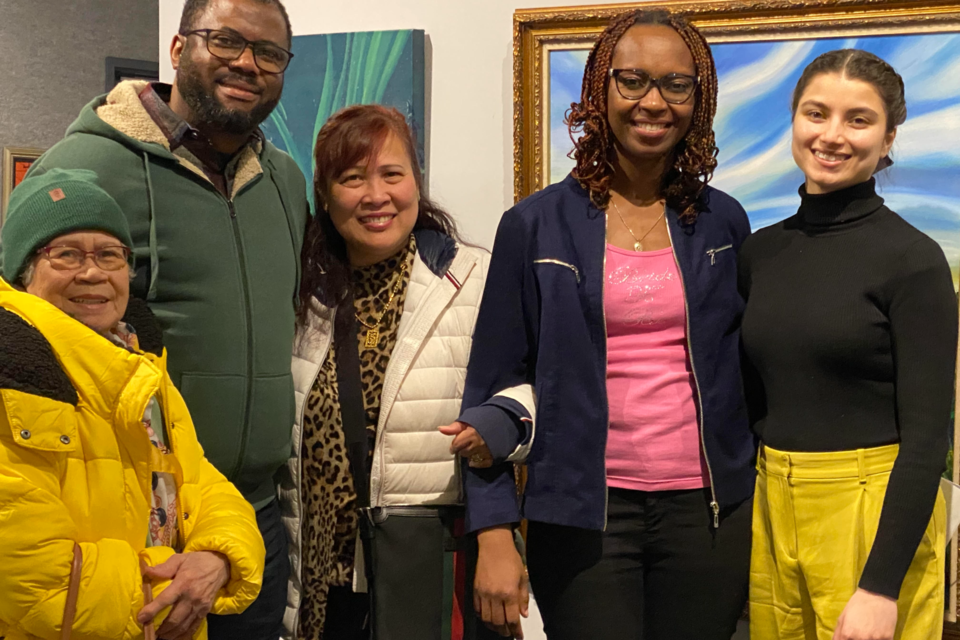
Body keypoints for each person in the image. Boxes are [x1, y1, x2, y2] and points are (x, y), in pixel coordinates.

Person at [8, 0, 310, 636]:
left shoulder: (284, 179)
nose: (247, 64)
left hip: (251, 521)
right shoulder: (84, 165)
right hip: (144, 537)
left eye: (269, 53)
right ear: (178, 50)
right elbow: (23, 336)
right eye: (225, 41)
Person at [453, 9, 756, 640]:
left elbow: (750, 368)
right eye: (633, 80)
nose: (654, 101)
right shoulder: (535, 225)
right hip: (581, 512)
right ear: (600, 90)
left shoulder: (723, 222)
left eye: (676, 84)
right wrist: (493, 531)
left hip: (706, 514)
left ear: (699, 99)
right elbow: (490, 389)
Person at [278, 104, 531, 640]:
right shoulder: (300, 294)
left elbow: (529, 391)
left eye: (392, 174)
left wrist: (498, 535)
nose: (376, 196)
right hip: (320, 581)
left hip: (432, 567)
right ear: (324, 195)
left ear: (416, 181)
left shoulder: (473, 279)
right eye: (352, 178)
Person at [740, 49, 956, 640]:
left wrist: (881, 586)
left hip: (872, 512)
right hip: (773, 503)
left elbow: (929, 438)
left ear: (887, 139)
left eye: (858, 120)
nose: (832, 135)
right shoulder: (760, 253)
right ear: (795, 122)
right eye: (816, 114)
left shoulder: (912, 261)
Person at [0, 169, 265, 640]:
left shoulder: (138, 364)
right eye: (64, 254)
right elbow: (37, 587)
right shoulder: (11, 372)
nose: (93, 272)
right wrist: (184, 580)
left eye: (110, 254)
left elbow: (202, 483)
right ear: (23, 271)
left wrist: (219, 556)